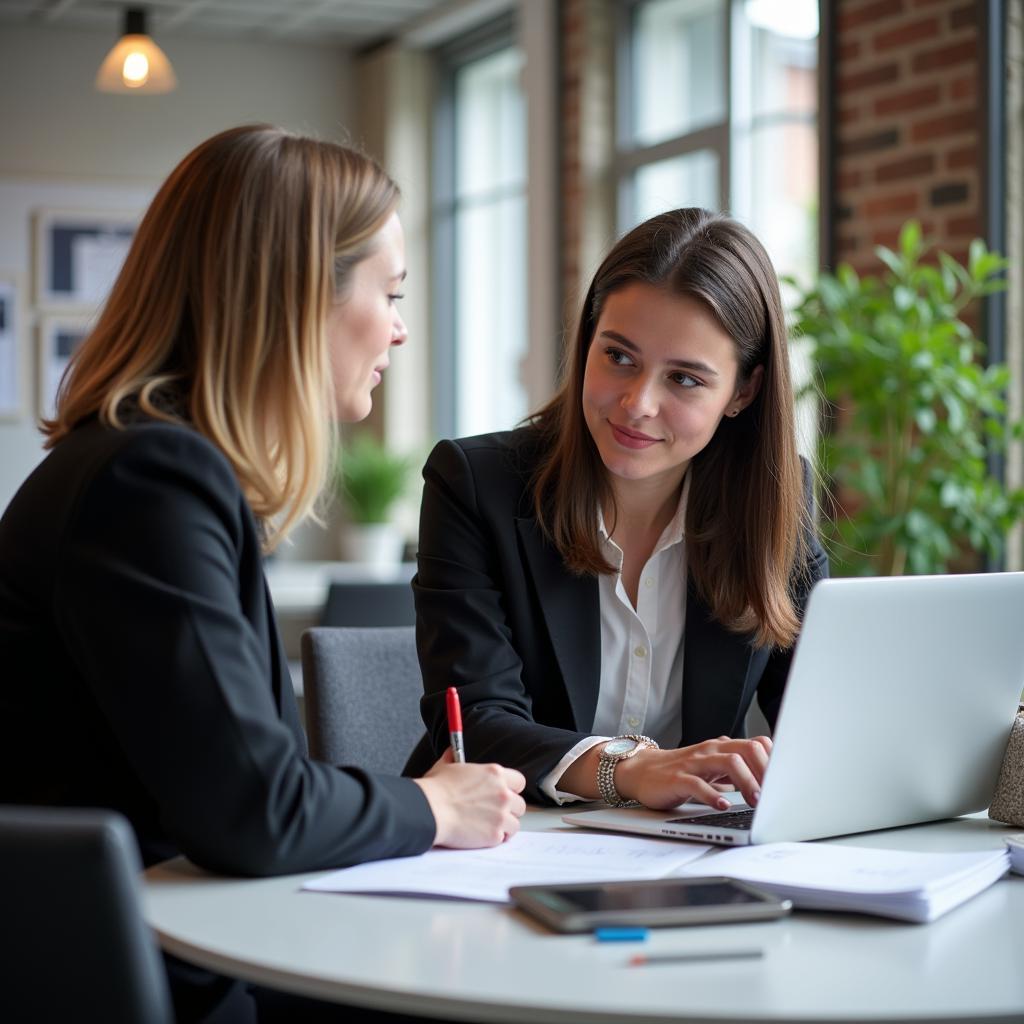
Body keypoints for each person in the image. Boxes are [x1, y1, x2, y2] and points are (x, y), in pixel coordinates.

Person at [0, 124, 525, 1022]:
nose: (399, 328)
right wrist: (433, 805)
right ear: (296, 299)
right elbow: (258, 809)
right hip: (142, 976)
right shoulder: (150, 480)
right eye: (389, 293)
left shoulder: (133, 463)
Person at [407, 208, 828, 814]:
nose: (638, 404)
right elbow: (479, 722)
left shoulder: (774, 502)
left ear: (743, 392)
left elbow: (820, 719)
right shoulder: (477, 485)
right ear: (587, 345)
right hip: (498, 840)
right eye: (620, 358)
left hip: (687, 852)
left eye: (684, 379)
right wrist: (630, 770)